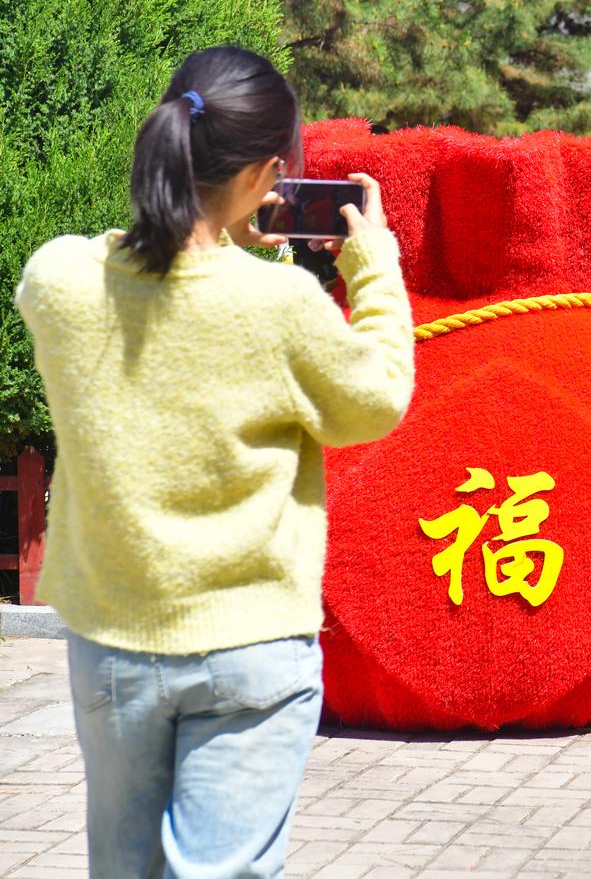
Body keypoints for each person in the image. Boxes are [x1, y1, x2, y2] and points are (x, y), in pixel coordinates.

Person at [15, 46, 414, 876]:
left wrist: (200, 227)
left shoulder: (57, 278)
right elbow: (374, 399)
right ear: (271, 172)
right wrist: (372, 266)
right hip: (252, 643)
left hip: (113, 640)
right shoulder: (280, 303)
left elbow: (119, 265)